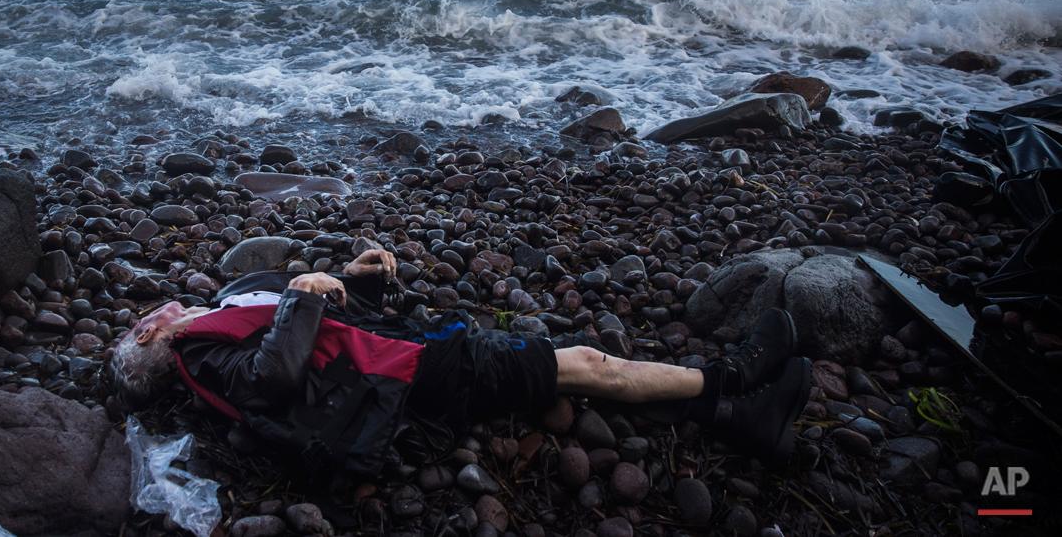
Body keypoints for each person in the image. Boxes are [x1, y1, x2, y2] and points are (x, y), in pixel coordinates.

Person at [109, 247, 811, 476]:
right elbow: (275, 378)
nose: (154, 315)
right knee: (592, 363)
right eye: (145, 324)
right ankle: (734, 376)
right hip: (420, 374)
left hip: (408, 352)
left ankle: (737, 417)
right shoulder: (199, 354)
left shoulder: (225, 311)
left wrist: (361, 277)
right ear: (150, 339)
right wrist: (300, 294)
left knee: (582, 377)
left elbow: (336, 331)